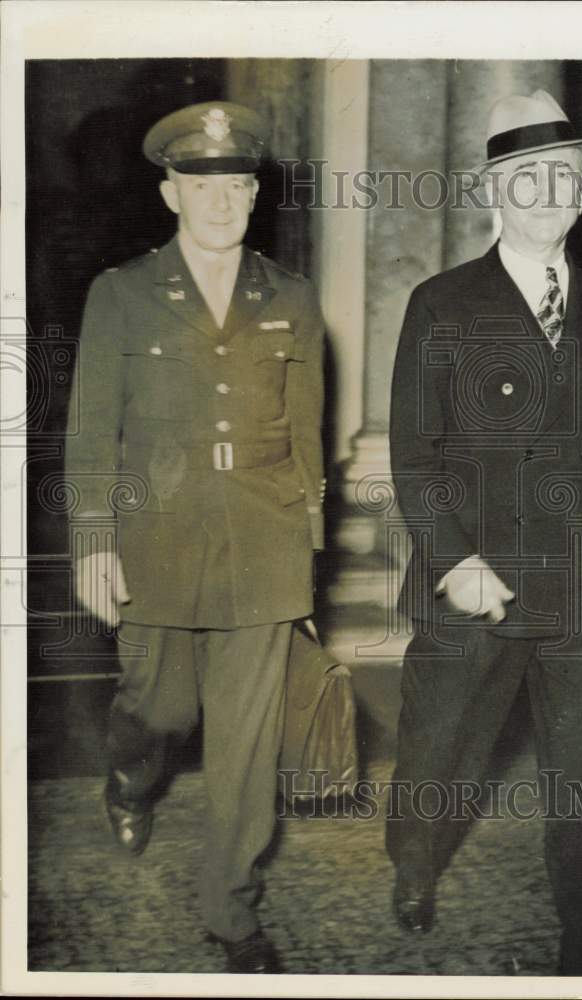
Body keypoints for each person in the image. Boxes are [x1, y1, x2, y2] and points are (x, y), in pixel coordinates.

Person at [386, 90, 582, 975]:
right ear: (496, 193)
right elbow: (414, 455)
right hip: (476, 576)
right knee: (441, 751)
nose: (549, 192)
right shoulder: (444, 303)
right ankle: (414, 865)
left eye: (565, 177)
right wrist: (452, 558)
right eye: (528, 177)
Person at [65, 101, 325, 973]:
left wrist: (309, 544)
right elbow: (91, 427)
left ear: (254, 196)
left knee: (247, 744)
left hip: (264, 537)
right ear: (171, 192)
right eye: (201, 185)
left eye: (238, 187)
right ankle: (134, 770)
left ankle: (233, 912)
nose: (222, 202)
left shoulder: (290, 297)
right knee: (164, 707)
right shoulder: (122, 293)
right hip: (158, 534)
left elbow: (307, 429)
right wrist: (94, 538)